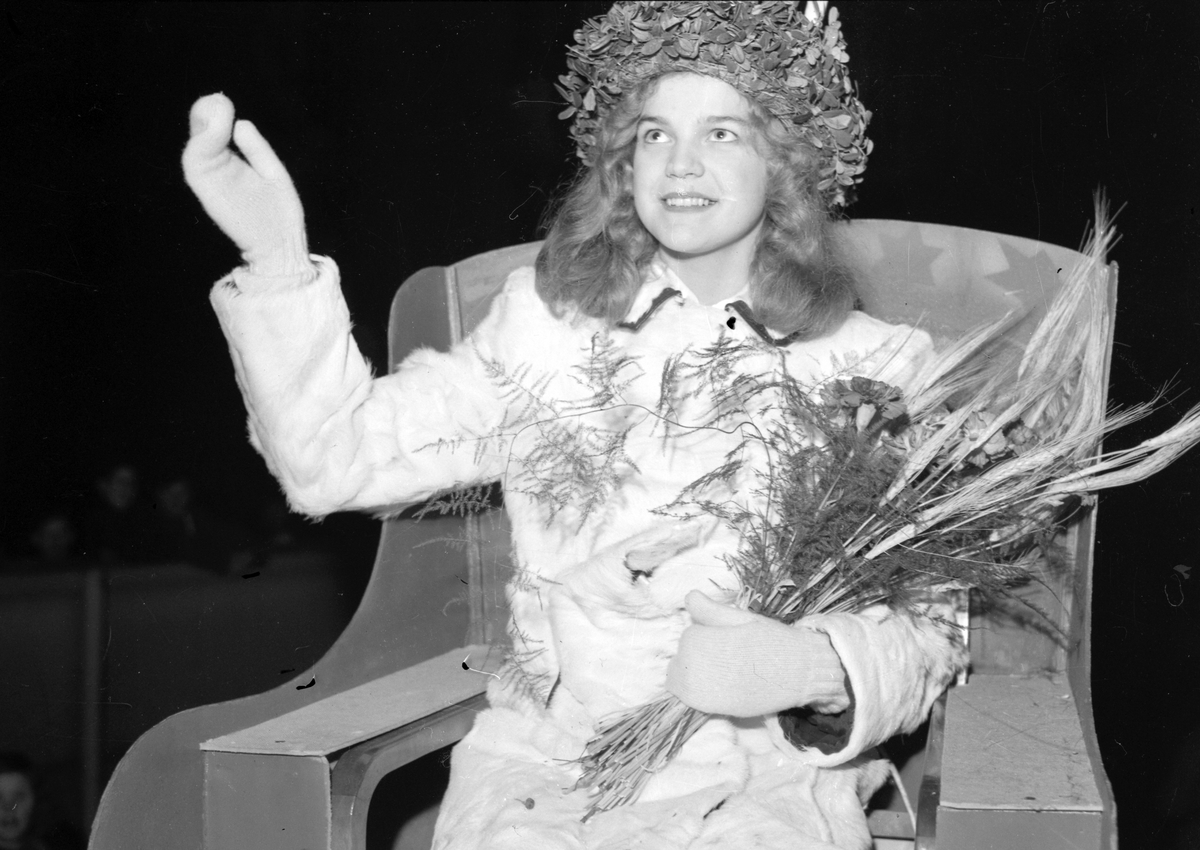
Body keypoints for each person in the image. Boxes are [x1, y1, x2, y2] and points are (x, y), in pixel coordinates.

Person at [182, 3, 964, 847]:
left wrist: (818, 669)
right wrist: (277, 265)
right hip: (546, 777)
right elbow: (331, 461)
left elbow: (931, 626)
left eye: (724, 134)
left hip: (767, 786)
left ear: (786, 161)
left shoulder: (876, 367)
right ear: (624, 162)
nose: (681, 164)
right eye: (655, 134)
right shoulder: (544, 333)